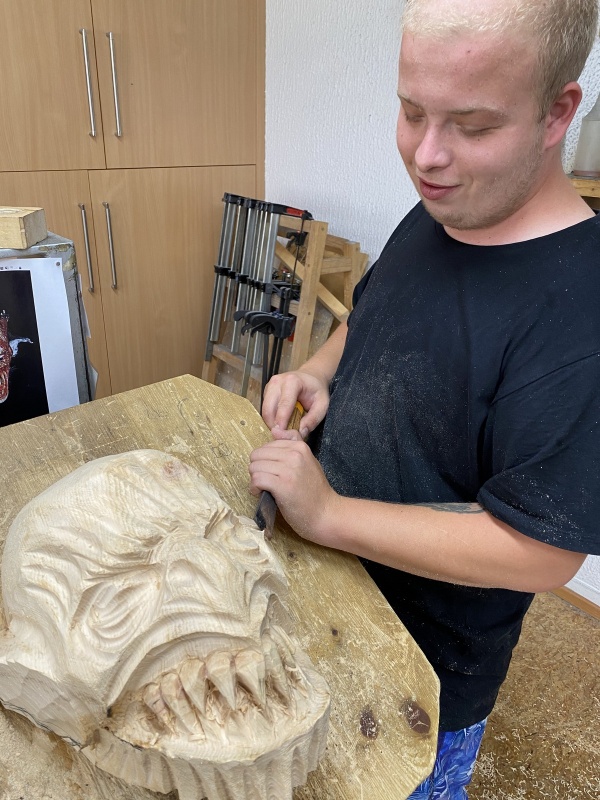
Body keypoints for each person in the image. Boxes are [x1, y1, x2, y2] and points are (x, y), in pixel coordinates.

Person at [249, 0, 600, 797]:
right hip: (332, 594)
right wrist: (320, 372)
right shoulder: (446, 203)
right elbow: (370, 314)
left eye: (472, 126)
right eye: (412, 112)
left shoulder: (579, 315)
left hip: (423, 677)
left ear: (557, 113)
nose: (428, 155)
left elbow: (542, 549)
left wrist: (328, 514)